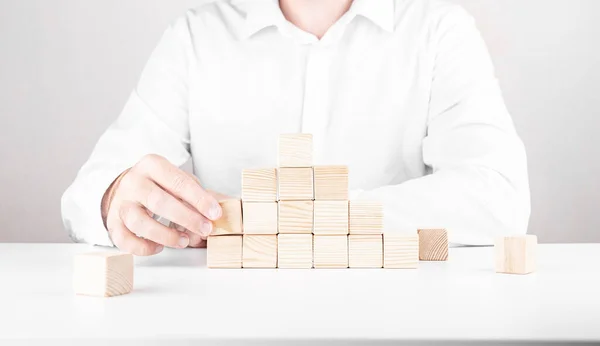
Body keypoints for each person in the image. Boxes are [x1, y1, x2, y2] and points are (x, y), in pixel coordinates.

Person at [61, 0, 531, 256]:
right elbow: (87, 194)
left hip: (395, 319)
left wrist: (300, 218)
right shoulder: (196, 35)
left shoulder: (439, 27)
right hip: (228, 323)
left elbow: (499, 199)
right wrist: (114, 197)